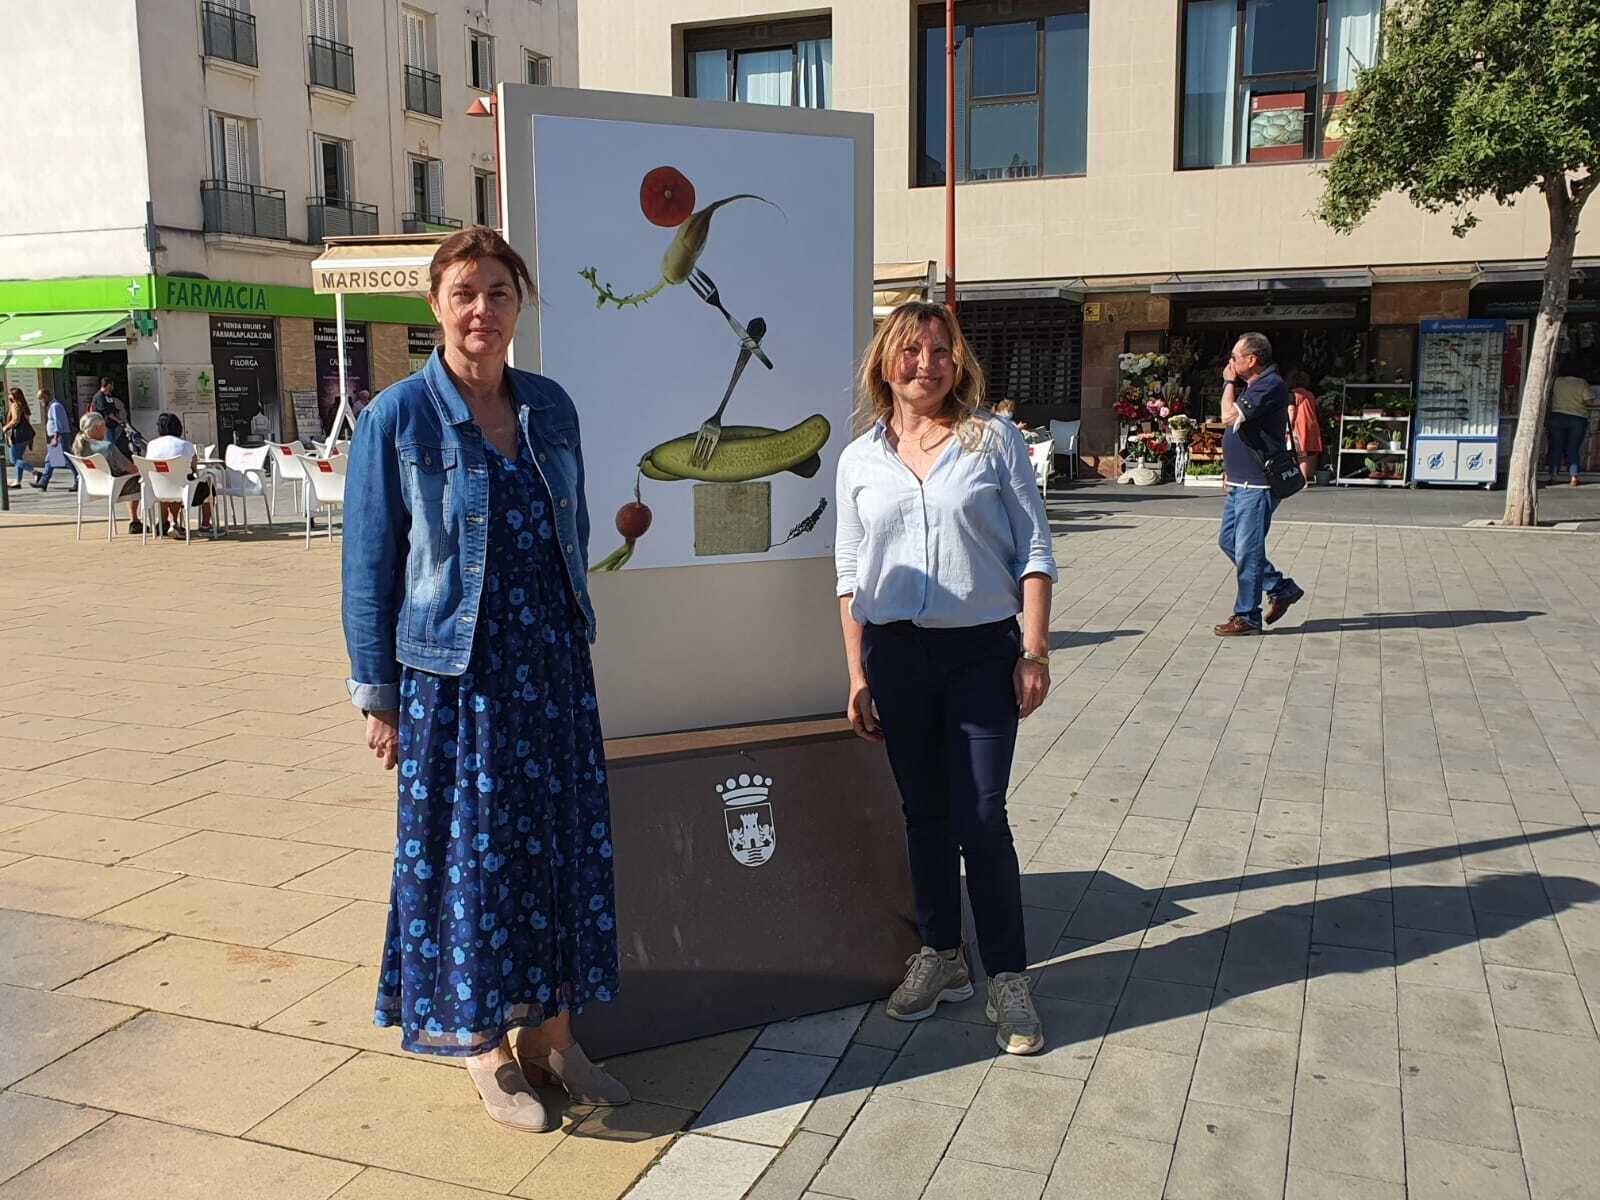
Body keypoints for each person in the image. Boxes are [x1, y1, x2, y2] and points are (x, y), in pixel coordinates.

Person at [342, 226, 625, 1132]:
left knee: (557, 854)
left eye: (498, 293)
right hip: (454, 681)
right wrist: (379, 695)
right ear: (436, 305)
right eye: (464, 293)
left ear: (519, 304)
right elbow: (369, 567)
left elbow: (570, 533)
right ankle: (481, 1048)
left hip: (550, 669)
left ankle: (554, 1037)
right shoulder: (399, 417)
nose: (481, 311)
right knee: (470, 863)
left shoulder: (552, 407)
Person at [835, 301, 1058, 1056]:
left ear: (957, 364)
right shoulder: (860, 457)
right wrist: (856, 673)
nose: (926, 363)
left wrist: (1033, 651)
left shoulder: (991, 441)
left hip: (980, 655)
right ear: (884, 361)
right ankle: (941, 954)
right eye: (911, 349)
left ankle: (1009, 978)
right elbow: (849, 572)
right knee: (923, 813)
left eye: (940, 350)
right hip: (895, 657)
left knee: (981, 817)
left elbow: (1033, 549)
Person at [1215, 332, 1304, 636]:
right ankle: (1280, 588)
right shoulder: (1255, 386)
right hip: (1241, 482)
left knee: (1248, 550)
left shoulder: (1269, 384)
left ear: (1251, 360)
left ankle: (1247, 616)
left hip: (1257, 484)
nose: (1231, 362)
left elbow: (1228, 417)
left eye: (1235, 357)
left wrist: (1228, 382)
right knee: (1230, 542)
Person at [144, 412, 217, 537]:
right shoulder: (185, 445)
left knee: (167, 481)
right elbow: (194, 468)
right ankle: (205, 525)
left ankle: (167, 523)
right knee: (209, 486)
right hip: (183, 490)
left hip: (157, 490)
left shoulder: (151, 445)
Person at [70, 411, 144, 518]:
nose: (106, 430)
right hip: (115, 487)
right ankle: (136, 520)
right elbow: (131, 469)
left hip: (91, 486)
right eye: (104, 426)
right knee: (143, 480)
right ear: (96, 428)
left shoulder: (79, 448)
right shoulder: (107, 447)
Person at [1547, 361, 1592, 487]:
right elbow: (1589, 401)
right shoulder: (1582, 383)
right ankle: (1573, 477)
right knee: (1573, 448)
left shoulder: (1556, 382)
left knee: (1556, 446)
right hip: (1577, 418)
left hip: (1557, 416)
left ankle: (1553, 475)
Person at [30, 390, 76, 492]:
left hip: (60, 436)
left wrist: (56, 438)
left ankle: (78, 479)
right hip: (56, 436)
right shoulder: (52, 406)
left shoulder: (55, 406)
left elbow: (58, 423)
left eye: (41, 398)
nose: (40, 402)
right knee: (50, 460)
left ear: (46, 396)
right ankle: (43, 482)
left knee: (67, 459)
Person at [1286, 369, 1324, 484]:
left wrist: (1288, 427)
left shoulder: (1293, 395)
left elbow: (1291, 410)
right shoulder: (1310, 394)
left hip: (1297, 427)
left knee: (1297, 454)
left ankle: (1299, 481)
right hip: (1310, 426)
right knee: (1304, 455)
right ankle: (1304, 479)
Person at [4, 388, 37, 487]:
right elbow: (26, 420)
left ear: (14, 396)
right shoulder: (23, 405)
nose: (8, 396)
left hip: (18, 435)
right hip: (25, 436)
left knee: (13, 459)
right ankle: (18, 481)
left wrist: (5, 427)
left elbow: (15, 420)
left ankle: (35, 472)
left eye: (10, 394)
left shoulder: (15, 405)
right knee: (18, 458)